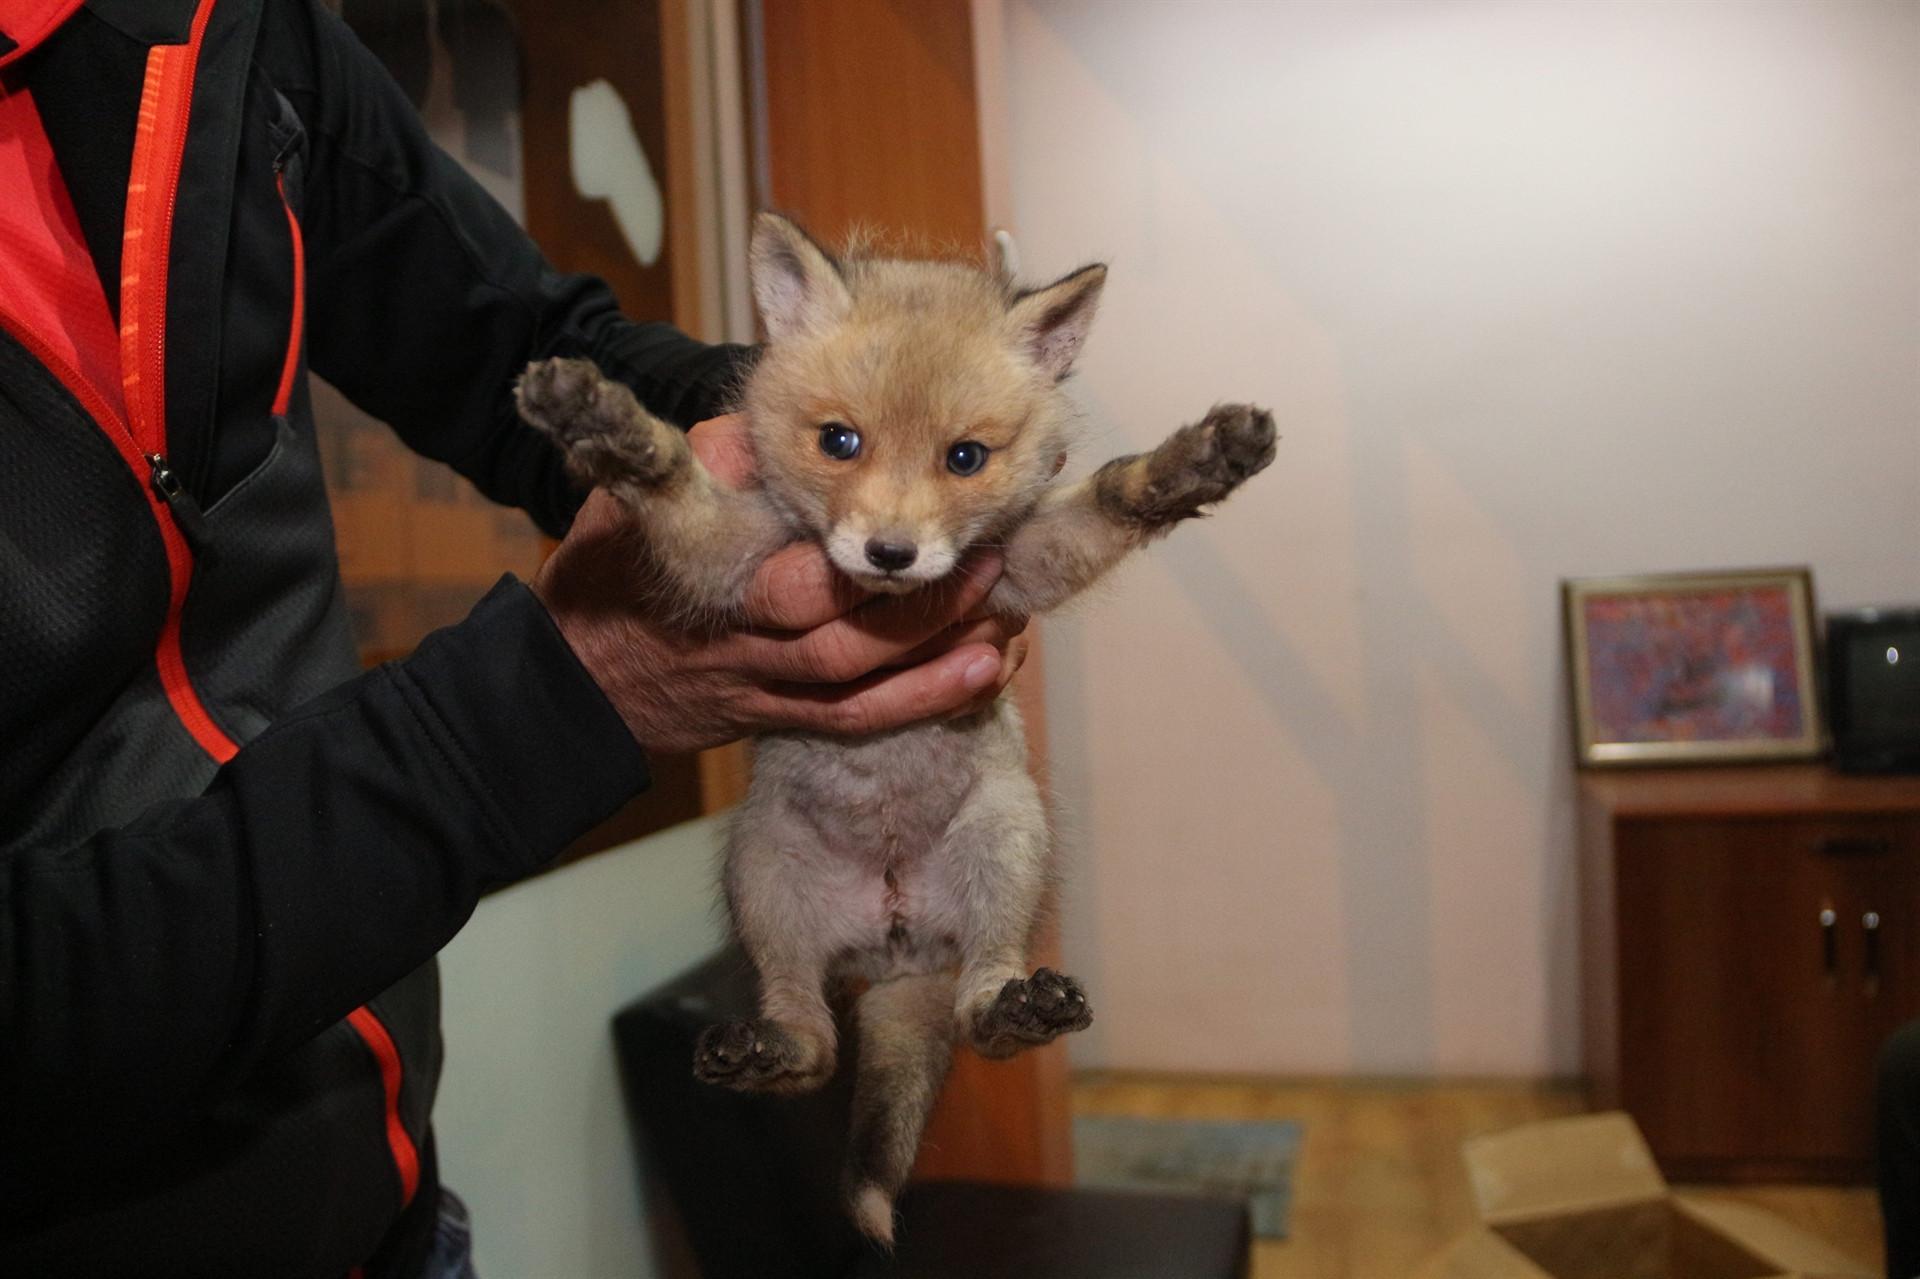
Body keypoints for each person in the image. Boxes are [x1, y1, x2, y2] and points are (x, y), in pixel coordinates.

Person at [0, 1, 1023, 1275]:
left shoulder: (224, 32)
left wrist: (852, 429)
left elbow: (522, 347)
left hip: (393, 1217)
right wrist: (553, 697)